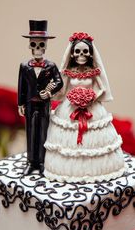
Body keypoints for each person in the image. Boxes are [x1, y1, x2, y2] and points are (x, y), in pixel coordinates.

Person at [44, 32, 127, 182]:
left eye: (85, 51)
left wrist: (92, 97)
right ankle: (68, 171)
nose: (81, 55)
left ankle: (96, 170)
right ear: (72, 54)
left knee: (94, 141)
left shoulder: (93, 72)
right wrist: (61, 95)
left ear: (90, 54)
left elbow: (102, 88)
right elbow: (63, 89)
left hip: (92, 107)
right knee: (67, 142)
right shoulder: (69, 72)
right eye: (77, 51)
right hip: (70, 108)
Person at [18, 20, 63, 175]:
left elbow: (59, 81)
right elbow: (21, 86)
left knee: (43, 133)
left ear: (45, 45)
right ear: (29, 45)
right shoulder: (24, 66)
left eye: (41, 44)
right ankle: (31, 162)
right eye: (34, 44)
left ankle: (43, 162)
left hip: (44, 105)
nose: (37, 48)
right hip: (30, 105)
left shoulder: (51, 66)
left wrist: (49, 93)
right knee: (30, 133)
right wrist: (20, 104)